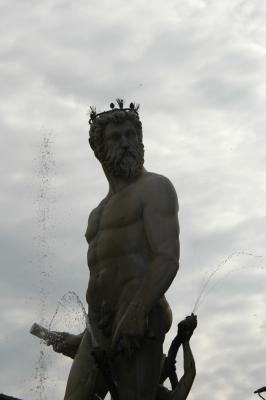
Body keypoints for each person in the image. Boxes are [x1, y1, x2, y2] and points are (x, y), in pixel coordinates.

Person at [52, 99, 180, 400]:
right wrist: (83, 337)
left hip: (140, 314)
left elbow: (167, 259)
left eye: (131, 135)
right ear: (98, 149)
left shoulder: (155, 188)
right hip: (98, 327)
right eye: (116, 137)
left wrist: (137, 311)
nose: (126, 143)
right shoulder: (97, 213)